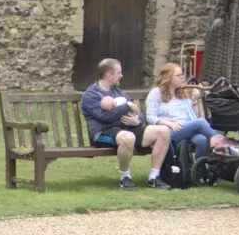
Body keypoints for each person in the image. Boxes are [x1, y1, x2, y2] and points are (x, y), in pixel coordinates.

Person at [81, 58, 172, 190]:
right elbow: (104, 117)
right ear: (109, 75)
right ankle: (125, 178)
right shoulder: (91, 95)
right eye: (119, 73)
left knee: (163, 131)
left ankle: (154, 177)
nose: (121, 76)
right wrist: (126, 106)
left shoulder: (117, 91)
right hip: (103, 133)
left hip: (126, 128)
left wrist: (137, 121)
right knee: (128, 137)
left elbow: (137, 111)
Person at [145, 62, 227, 167]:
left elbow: (192, 116)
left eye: (182, 75)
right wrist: (169, 124)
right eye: (178, 75)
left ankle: (199, 173)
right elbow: (150, 117)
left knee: (202, 140)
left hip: (187, 128)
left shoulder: (182, 93)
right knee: (201, 123)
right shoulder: (156, 93)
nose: (182, 78)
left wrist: (194, 100)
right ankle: (224, 143)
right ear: (168, 77)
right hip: (167, 132)